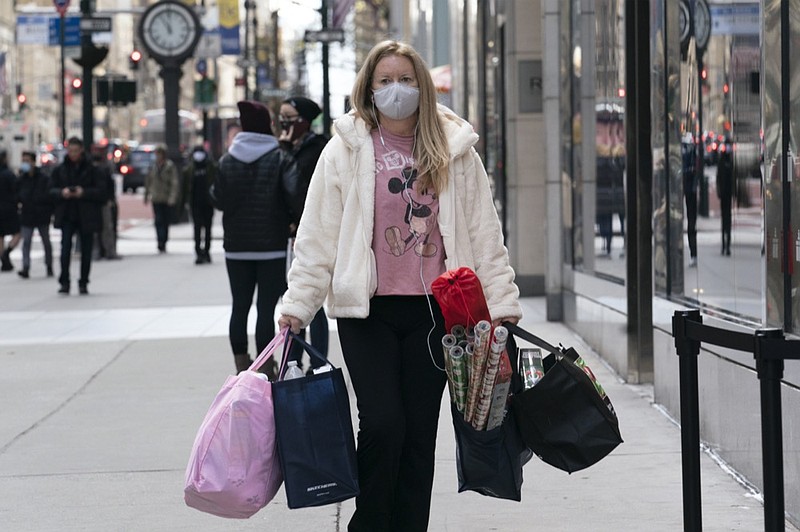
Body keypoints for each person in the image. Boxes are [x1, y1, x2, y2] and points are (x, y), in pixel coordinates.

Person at [277, 40, 522, 532]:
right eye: (385, 81)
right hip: (366, 311)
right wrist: (297, 305)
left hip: (436, 314)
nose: (396, 90)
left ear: (422, 87)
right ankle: (369, 524)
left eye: (406, 80)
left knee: (418, 434)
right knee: (383, 424)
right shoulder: (344, 149)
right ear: (368, 88)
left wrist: (500, 302)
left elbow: (482, 231)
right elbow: (317, 235)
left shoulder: (454, 150)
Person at [211, 100, 303, 376]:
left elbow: (217, 198)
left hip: (236, 247)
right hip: (271, 247)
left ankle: (241, 363)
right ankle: (265, 365)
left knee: (239, 306)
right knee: (265, 308)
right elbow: (294, 195)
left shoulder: (227, 161)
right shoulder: (279, 157)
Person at [279, 95, 331, 372]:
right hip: (291, 232)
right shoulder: (288, 148)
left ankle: (318, 361)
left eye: (289, 116)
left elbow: (303, 191)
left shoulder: (319, 148)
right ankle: (292, 360)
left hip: (311, 231)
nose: (283, 122)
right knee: (294, 299)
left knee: (315, 301)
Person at [48, 137, 105, 294]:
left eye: (75, 151)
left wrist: (83, 192)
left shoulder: (92, 170)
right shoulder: (60, 170)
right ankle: (64, 281)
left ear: (81, 150)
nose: (73, 154)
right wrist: (63, 192)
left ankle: (83, 281)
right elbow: (51, 190)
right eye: (70, 151)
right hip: (67, 214)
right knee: (65, 249)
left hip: (85, 215)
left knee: (86, 251)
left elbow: (101, 192)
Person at [17, 150, 54, 278]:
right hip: (27, 214)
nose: (25, 164)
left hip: (41, 214)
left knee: (46, 242)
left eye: (27, 161)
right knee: (26, 242)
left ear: (33, 162)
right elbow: (17, 195)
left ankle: (49, 265)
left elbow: (48, 195)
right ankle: (25, 267)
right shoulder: (21, 179)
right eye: (24, 161)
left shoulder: (43, 178)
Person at [183, 145, 217, 264]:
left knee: (207, 229)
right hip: (195, 203)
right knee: (197, 229)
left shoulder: (211, 167)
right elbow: (185, 187)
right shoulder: (190, 169)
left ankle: (206, 251)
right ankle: (198, 252)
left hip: (208, 203)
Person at [144, 145, 179, 253]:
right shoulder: (153, 166)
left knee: (165, 220)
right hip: (156, 197)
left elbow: (174, 183)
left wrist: (172, 197)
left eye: (159, 154)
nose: (157, 156)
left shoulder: (169, 166)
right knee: (158, 220)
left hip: (166, 197)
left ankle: (164, 240)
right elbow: (148, 181)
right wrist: (146, 195)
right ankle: (160, 241)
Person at [92, 152, 120, 260]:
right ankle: (109, 251)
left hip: (97, 202)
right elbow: (110, 185)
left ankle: (99, 252)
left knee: (99, 229)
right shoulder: (104, 170)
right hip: (103, 202)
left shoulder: (94, 170)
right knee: (107, 228)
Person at [0, 149, 21, 272]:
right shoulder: (8, 174)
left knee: (0, 236)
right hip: (9, 208)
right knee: (17, 233)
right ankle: (6, 253)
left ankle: (4, 259)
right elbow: (16, 189)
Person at [681, 132, 698, 267]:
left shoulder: (689, 151)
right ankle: (693, 254)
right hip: (688, 188)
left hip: (687, 187)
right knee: (690, 223)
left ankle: (693, 254)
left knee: (690, 223)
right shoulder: (691, 150)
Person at [717, 138, 734, 256]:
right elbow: (719, 177)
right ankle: (724, 244)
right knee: (725, 220)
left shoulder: (731, 160)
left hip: (727, 194)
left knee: (728, 220)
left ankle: (727, 245)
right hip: (724, 194)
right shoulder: (722, 160)